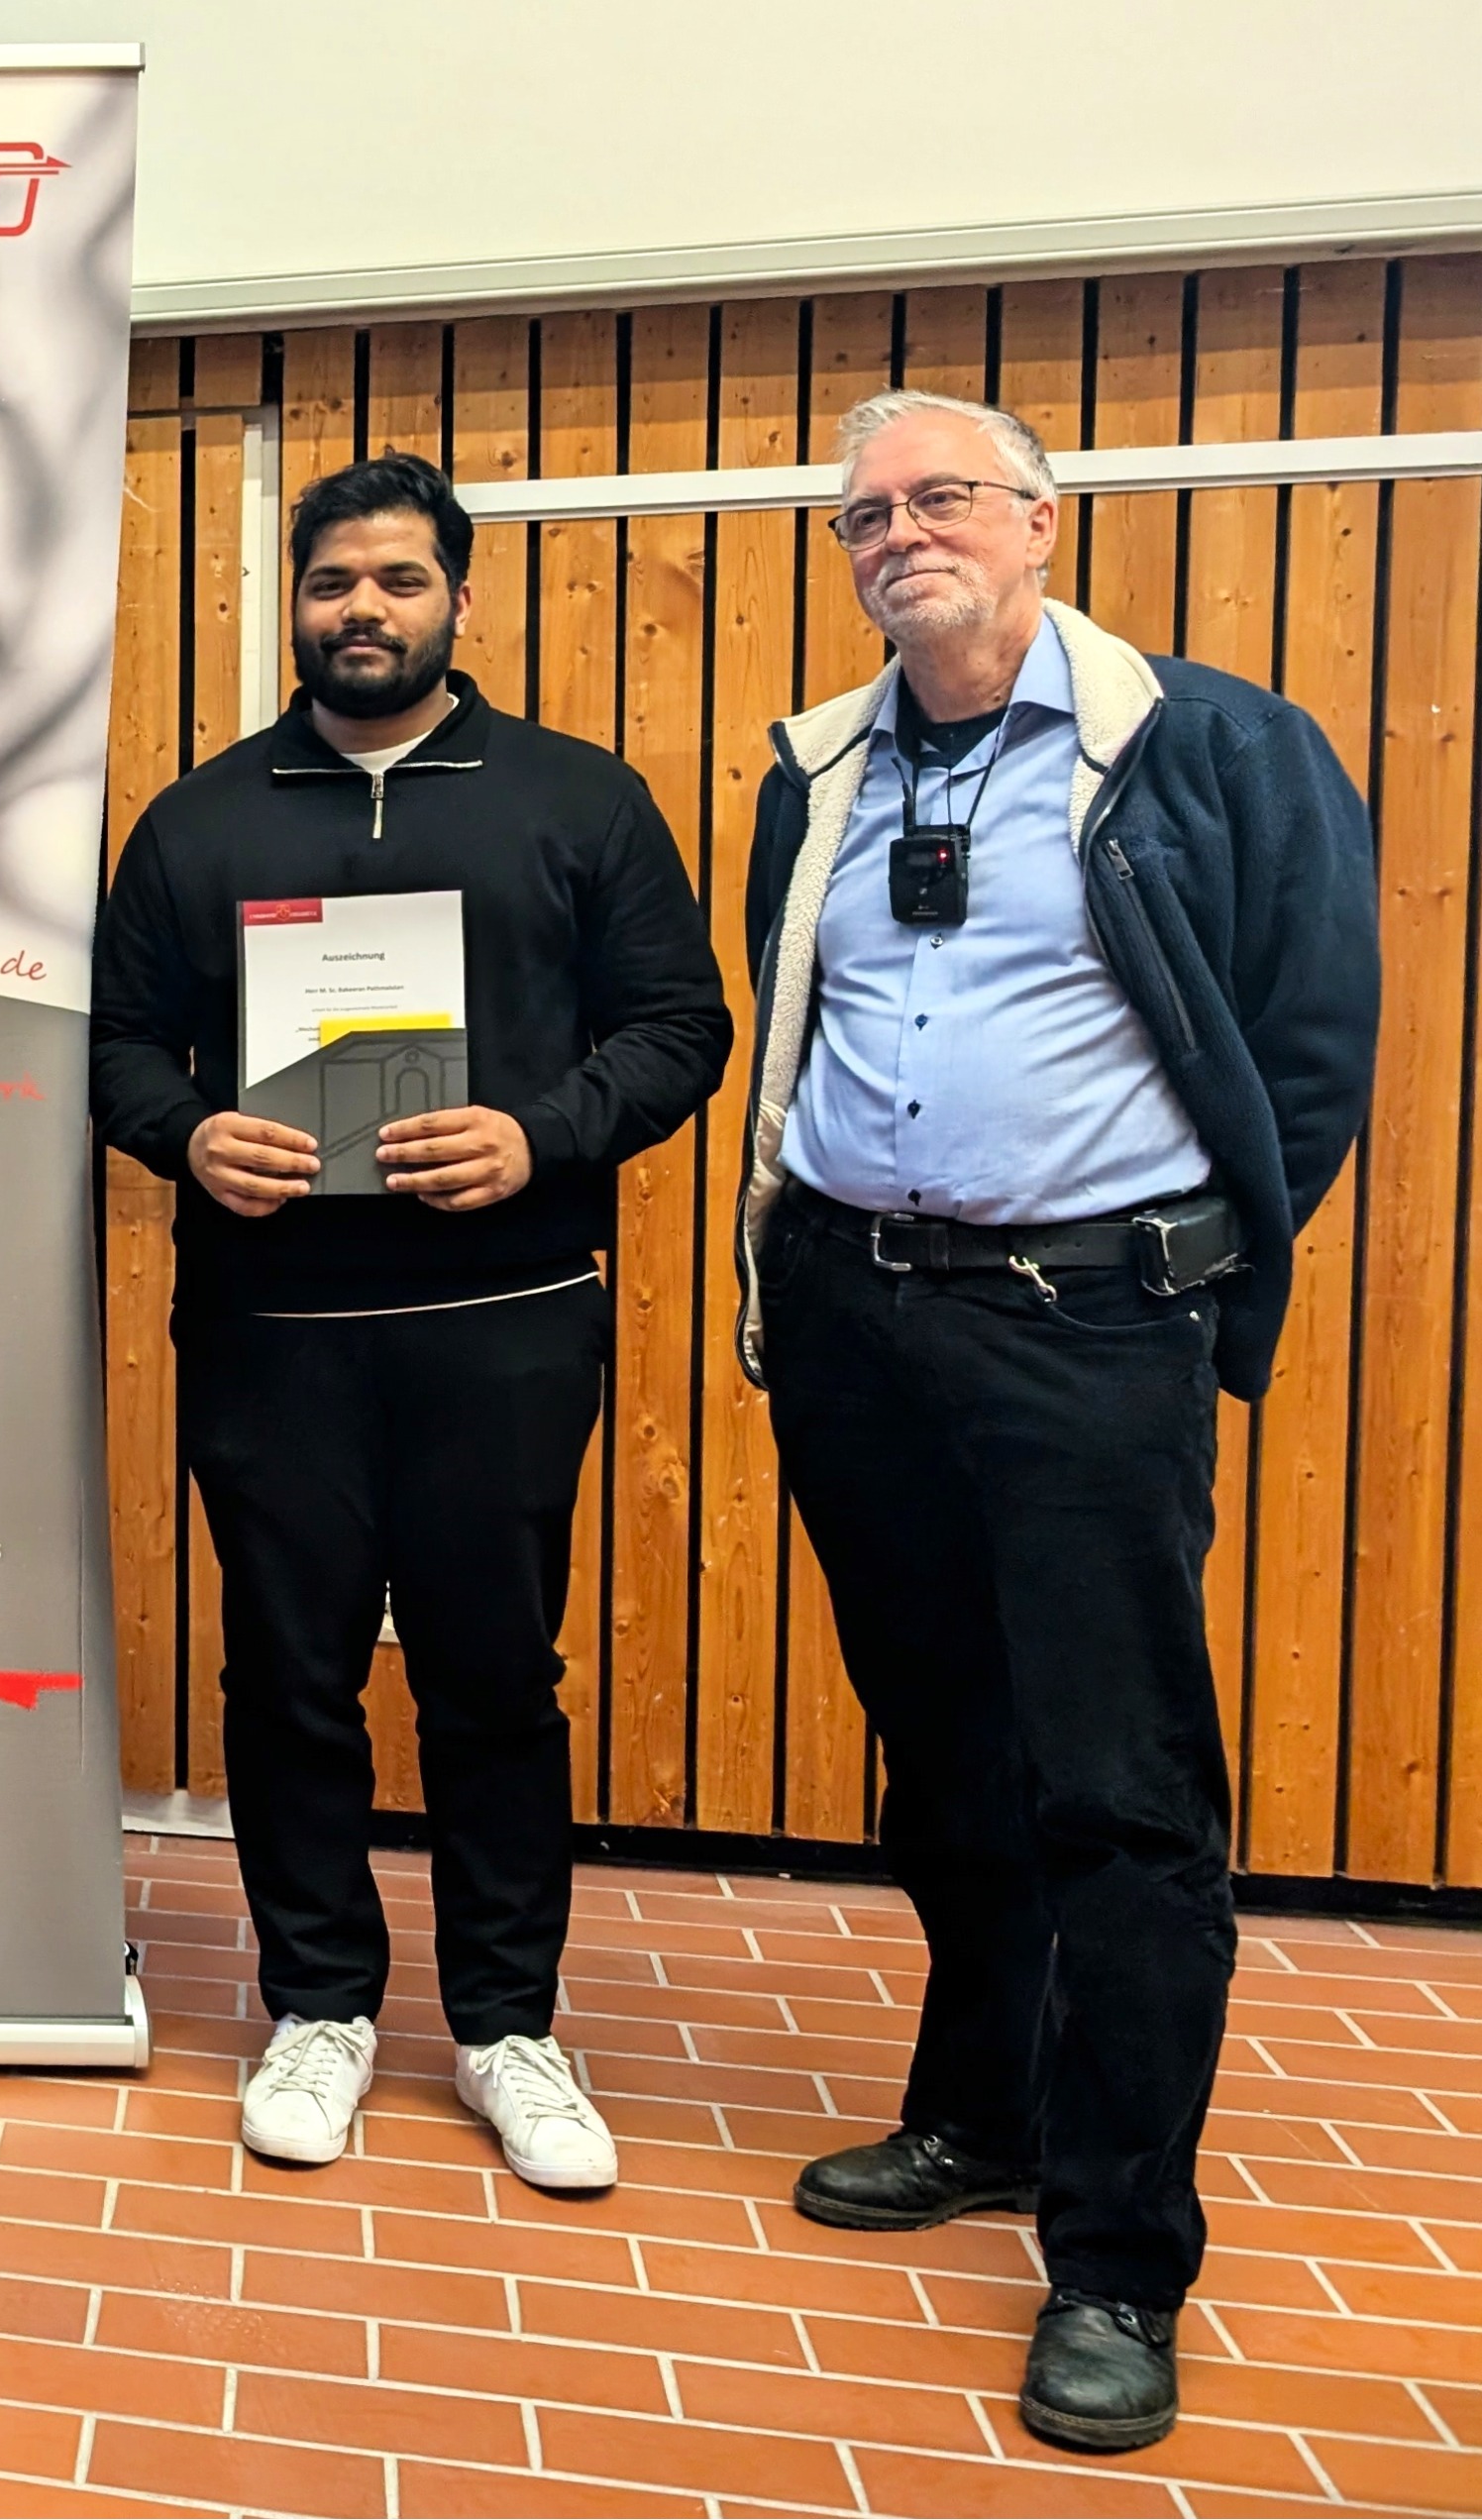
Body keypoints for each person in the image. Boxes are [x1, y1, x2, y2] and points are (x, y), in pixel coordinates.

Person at [738, 390, 1377, 2452]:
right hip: (858, 1319)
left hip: (1090, 1333)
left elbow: (1305, 1046)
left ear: (1041, 521)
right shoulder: (822, 770)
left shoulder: (1210, 748)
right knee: (948, 1761)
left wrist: (1184, 1265)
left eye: (941, 500)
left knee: (1121, 1798)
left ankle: (1118, 2257)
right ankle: (981, 2119)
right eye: (863, 518)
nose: (898, 536)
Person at [91, 451, 730, 2197]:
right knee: (285, 1677)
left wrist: (544, 1130)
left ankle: (511, 2026)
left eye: (394, 581)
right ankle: (320, 2006)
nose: (360, 610)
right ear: (292, 606)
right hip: (272, 1324)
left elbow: (683, 1027)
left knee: (494, 1681)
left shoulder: (577, 802)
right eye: (330, 584)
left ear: (459, 598)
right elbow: (117, 1044)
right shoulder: (200, 820)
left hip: (507, 1318)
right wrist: (184, 1130)